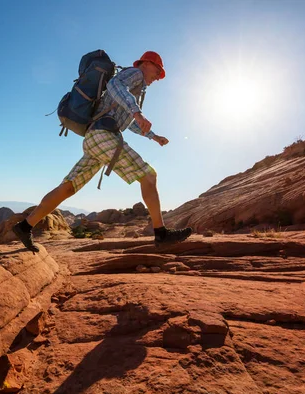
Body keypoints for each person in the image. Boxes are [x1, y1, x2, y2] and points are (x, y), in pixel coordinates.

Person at [13, 51, 192, 252]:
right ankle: (161, 234)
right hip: (104, 136)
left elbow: (130, 122)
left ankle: (25, 226)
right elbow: (114, 85)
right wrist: (137, 111)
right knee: (149, 176)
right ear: (146, 64)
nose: (157, 77)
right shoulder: (136, 74)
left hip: (94, 138)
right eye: (158, 71)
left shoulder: (136, 88)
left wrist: (153, 136)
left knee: (68, 187)